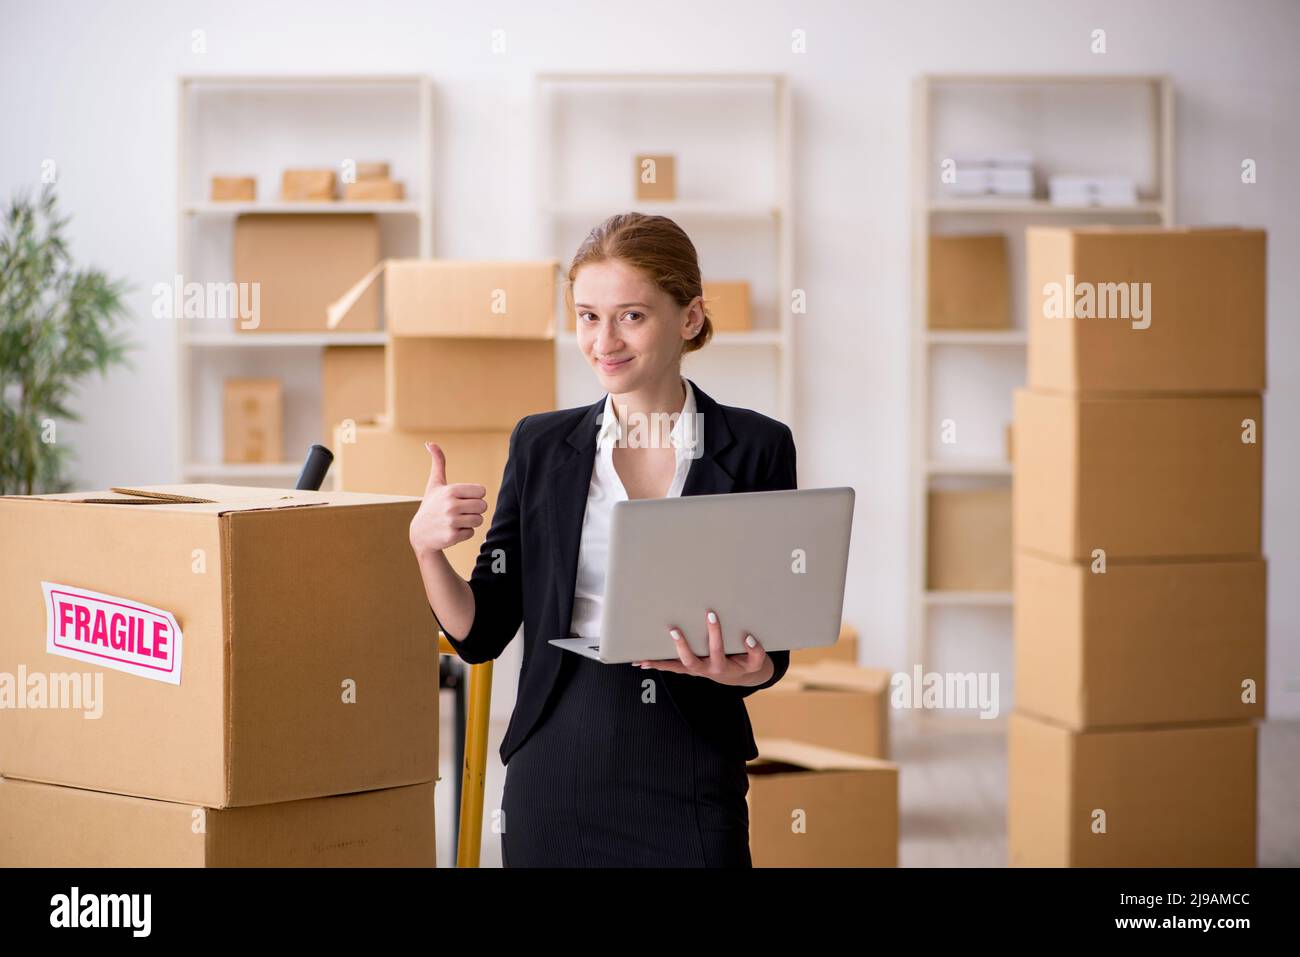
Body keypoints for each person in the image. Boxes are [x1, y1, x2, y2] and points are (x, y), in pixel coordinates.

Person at [409, 211, 798, 867]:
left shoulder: (758, 447)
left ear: (691, 317)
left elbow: (771, 643)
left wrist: (751, 667)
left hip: (691, 770)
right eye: (588, 315)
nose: (604, 340)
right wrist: (426, 549)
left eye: (632, 316)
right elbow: (481, 631)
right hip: (556, 770)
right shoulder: (540, 445)